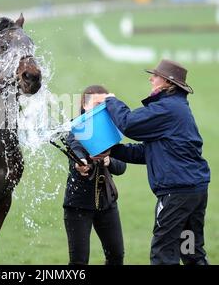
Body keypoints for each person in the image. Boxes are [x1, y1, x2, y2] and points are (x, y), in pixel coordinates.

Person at [101, 59, 210, 265]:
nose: (151, 79)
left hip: (176, 195)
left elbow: (128, 123)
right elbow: (150, 152)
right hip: (193, 192)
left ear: (168, 83)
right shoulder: (177, 108)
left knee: (163, 253)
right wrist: (115, 150)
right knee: (190, 251)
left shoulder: (167, 109)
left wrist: (111, 101)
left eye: (155, 76)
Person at [63, 85, 127, 265]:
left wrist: (109, 161)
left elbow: (121, 167)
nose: (102, 108)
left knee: (116, 256)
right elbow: (75, 149)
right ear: (85, 105)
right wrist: (81, 163)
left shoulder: (109, 128)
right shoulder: (75, 128)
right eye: (98, 103)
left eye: (105, 103)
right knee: (79, 262)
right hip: (78, 205)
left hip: (107, 203)